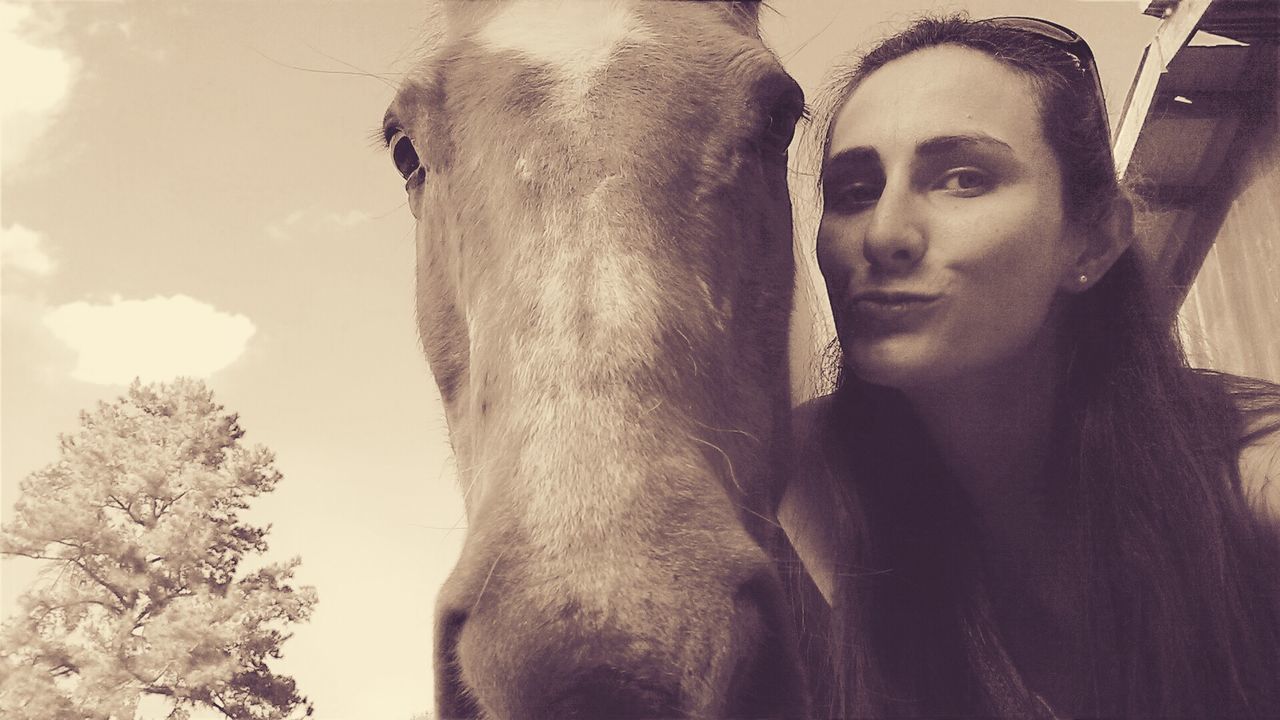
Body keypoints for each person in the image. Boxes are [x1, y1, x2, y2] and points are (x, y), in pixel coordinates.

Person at [785, 13, 1280, 718]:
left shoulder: (1246, 480)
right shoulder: (796, 483)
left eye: (962, 178)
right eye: (857, 191)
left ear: (1094, 240)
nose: (886, 233)